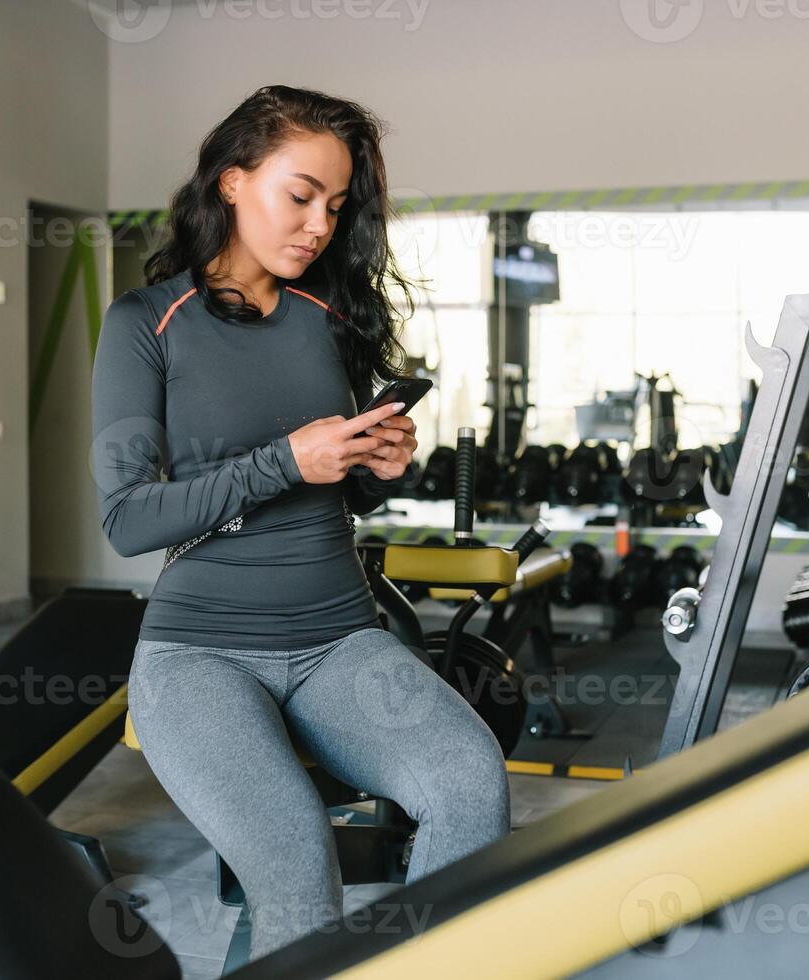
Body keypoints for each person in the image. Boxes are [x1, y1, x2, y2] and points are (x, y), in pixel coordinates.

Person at [90, 85, 510, 959]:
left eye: (337, 204)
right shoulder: (146, 324)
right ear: (234, 182)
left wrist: (371, 467)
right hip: (200, 651)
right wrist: (288, 458)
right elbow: (128, 520)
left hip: (338, 641)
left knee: (471, 783)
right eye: (301, 194)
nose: (319, 224)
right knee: (293, 864)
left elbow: (332, 489)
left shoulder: (328, 319)